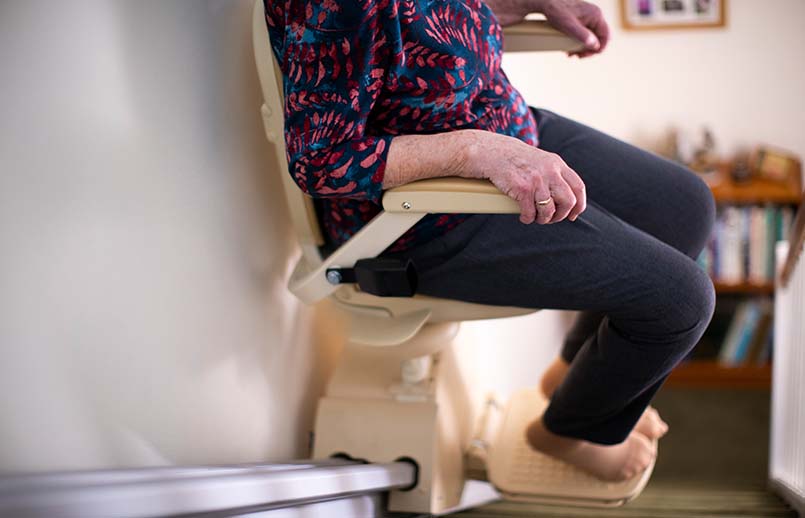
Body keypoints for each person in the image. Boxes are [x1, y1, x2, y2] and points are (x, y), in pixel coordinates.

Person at [264, 0, 715, 481]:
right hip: (427, 213)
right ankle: (565, 431)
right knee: (680, 302)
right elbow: (321, 161)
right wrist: (475, 150)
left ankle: (571, 379)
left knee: (685, 206)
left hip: (504, 125)